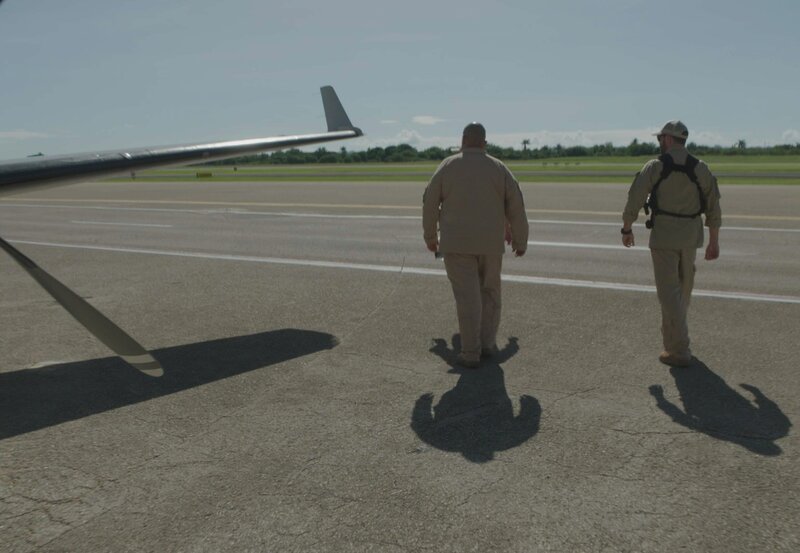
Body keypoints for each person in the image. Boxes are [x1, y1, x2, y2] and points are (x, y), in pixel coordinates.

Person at [423, 122, 529, 369]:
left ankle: (471, 352)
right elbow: (516, 205)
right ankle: (487, 344)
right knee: (490, 292)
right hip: (491, 244)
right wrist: (520, 240)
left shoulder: (448, 166)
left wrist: (430, 237)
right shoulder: (498, 167)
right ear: (485, 143)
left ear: (462, 140)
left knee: (467, 297)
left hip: (456, 244)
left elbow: (430, 202)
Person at [621, 120, 722, 367]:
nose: (660, 142)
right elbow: (713, 207)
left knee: (669, 295)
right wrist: (714, 241)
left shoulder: (655, 166)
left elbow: (635, 197)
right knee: (682, 292)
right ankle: (672, 343)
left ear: (667, 139)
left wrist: (627, 227)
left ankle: (679, 349)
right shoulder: (701, 168)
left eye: (660, 138)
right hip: (690, 238)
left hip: (664, 238)